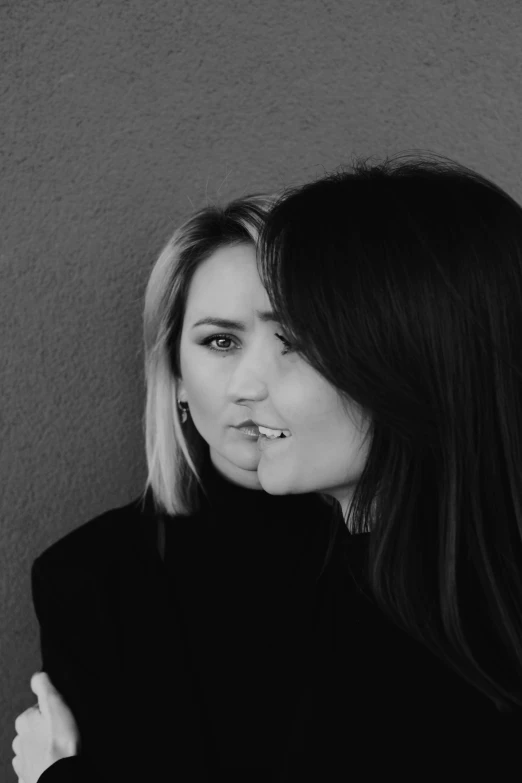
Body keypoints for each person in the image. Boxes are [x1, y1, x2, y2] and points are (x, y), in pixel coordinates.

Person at [12, 194, 342, 783]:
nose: (251, 384)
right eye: (220, 341)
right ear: (175, 377)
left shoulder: (407, 561)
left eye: (292, 338)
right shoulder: (88, 576)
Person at [249, 150, 522, 777]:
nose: (248, 382)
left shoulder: (422, 655)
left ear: (400, 365)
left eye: (289, 342)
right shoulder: (353, 573)